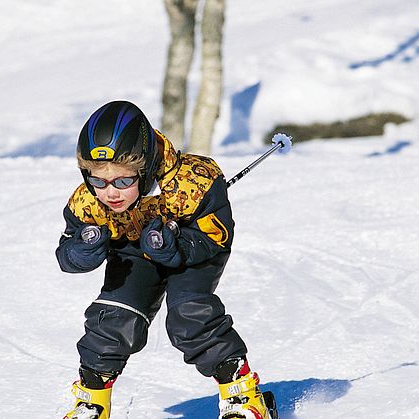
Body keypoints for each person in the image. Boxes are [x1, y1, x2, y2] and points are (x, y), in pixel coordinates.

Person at [56, 101, 277, 419]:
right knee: (114, 318)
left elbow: (217, 236)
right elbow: (65, 254)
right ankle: (91, 403)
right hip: (135, 255)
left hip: (192, 250)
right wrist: (82, 251)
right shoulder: (86, 202)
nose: (110, 193)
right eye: (98, 181)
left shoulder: (194, 180)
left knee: (190, 316)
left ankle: (243, 397)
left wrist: (176, 247)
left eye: (122, 181)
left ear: (143, 170)